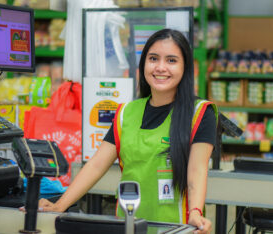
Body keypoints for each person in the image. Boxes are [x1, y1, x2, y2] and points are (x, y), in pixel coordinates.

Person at [37, 29, 217, 234]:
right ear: (143, 65)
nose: (160, 67)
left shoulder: (200, 113)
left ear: (185, 67)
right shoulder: (126, 113)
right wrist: (60, 205)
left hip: (178, 228)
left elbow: (197, 171)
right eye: (153, 58)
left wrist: (195, 212)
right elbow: (96, 165)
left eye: (171, 60)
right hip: (129, 225)